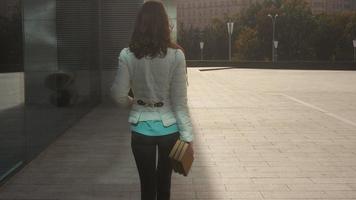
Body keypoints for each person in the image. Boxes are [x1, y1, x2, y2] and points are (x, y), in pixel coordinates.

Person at [109, 1, 194, 200]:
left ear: (140, 23)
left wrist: (134, 104)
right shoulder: (176, 56)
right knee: (164, 185)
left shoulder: (127, 55)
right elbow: (180, 102)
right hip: (170, 131)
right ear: (165, 24)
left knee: (147, 187)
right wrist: (187, 137)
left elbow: (117, 94)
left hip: (141, 130)